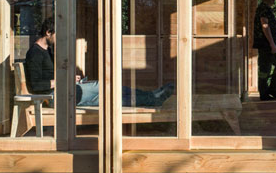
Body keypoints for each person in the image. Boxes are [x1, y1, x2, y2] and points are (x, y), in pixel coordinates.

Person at [24, 17, 174, 107]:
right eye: (58, 35)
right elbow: (36, 85)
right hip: (55, 97)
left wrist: (71, 78)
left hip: (63, 91)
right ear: (48, 32)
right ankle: (152, 99)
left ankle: (151, 96)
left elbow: (50, 76)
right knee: (104, 91)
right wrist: (63, 80)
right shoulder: (34, 53)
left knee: (109, 90)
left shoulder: (47, 51)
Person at [252, 0, 276, 101]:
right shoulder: (264, 9)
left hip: (266, 45)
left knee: (266, 68)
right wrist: (272, 44)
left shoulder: (265, 8)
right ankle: (267, 92)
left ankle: (267, 92)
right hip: (266, 45)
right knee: (275, 66)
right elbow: (265, 26)